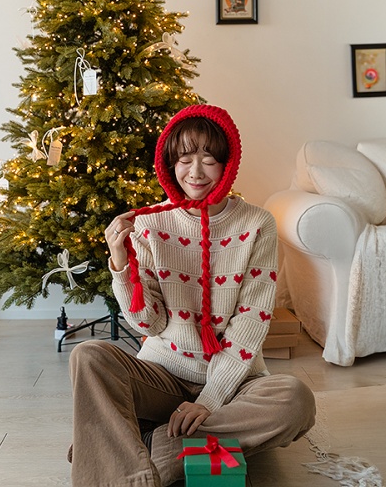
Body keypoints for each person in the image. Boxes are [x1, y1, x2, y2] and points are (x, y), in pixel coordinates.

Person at [68, 104, 316, 486]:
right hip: (162, 375)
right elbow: (149, 323)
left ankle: (143, 445)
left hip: (235, 384)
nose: (195, 172)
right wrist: (120, 264)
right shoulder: (149, 223)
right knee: (88, 356)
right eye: (184, 159)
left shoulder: (257, 223)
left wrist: (209, 401)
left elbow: (250, 323)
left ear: (227, 164)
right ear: (170, 164)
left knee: (295, 399)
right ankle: (139, 467)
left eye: (209, 159)